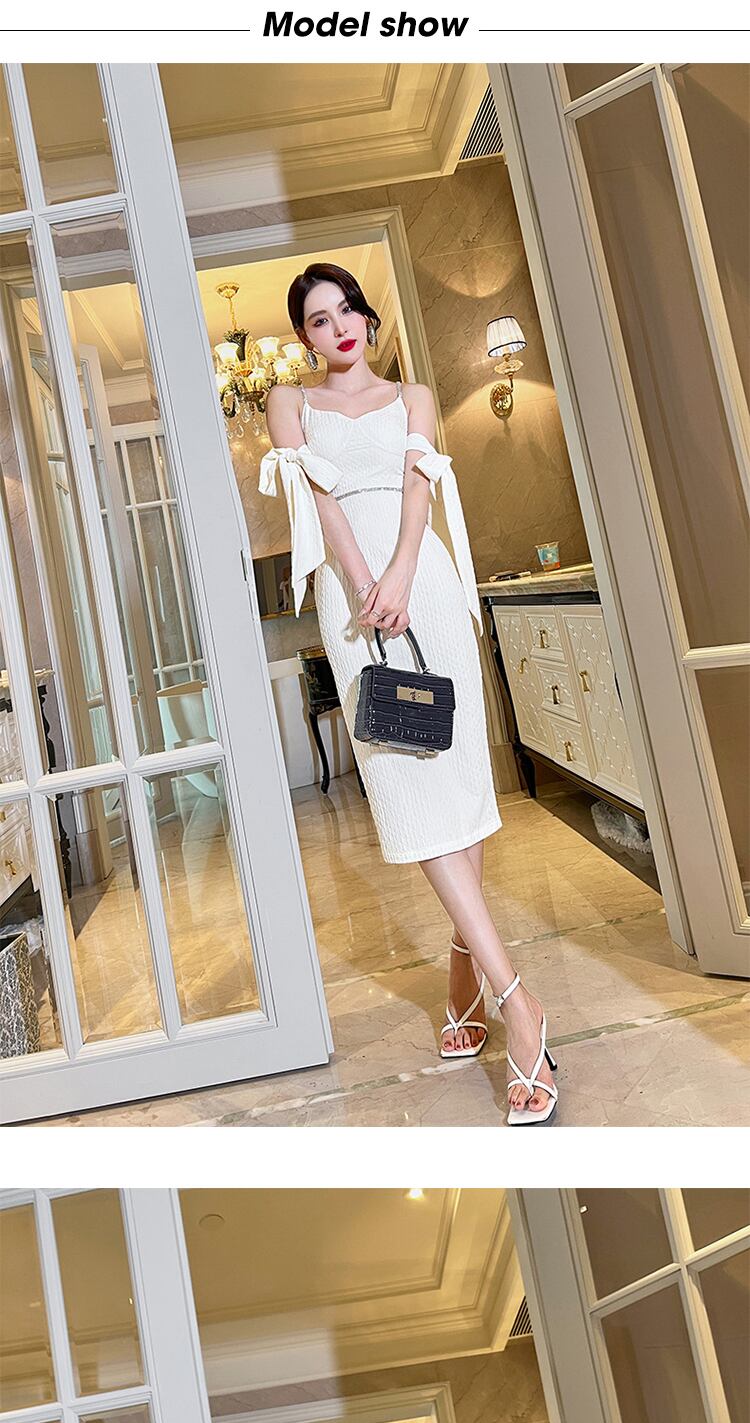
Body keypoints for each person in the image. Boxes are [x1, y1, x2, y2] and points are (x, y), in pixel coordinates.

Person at [259, 262, 559, 1127]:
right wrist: (364, 587)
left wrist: (397, 575)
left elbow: (418, 497)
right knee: (406, 786)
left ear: (365, 316)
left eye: (349, 309)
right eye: (321, 319)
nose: (341, 326)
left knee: (454, 782)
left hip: (422, 580)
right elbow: (322, 507)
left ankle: (467, 973)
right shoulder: (290, 403)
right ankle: (519, 1002)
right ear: (305, 337)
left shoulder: (416, 396)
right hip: (354, 604)